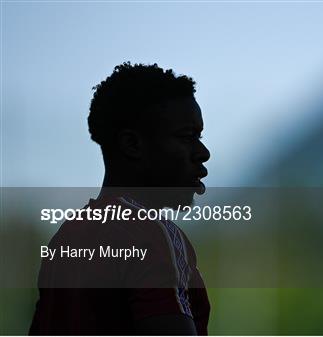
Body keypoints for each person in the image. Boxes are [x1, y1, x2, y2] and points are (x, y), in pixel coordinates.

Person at [29, 62, 211, 335]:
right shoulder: (150, 234)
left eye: (200, 136)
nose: (203, 152)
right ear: (132, 144)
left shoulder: (64, 240)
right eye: (187, 137)